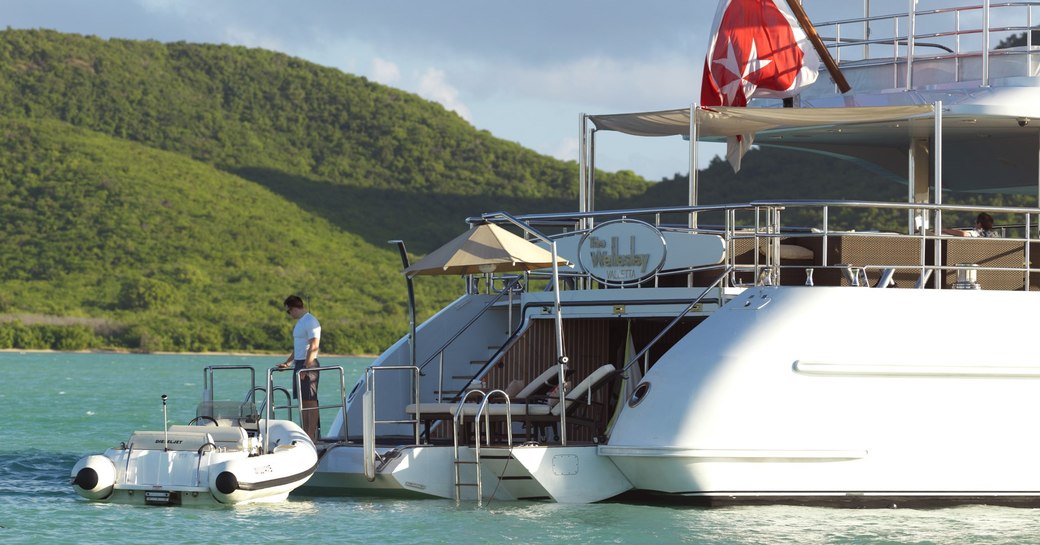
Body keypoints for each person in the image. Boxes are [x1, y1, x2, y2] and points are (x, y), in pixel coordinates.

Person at [277, 295, 321, 441]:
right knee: (303, 401)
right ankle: (305, 432)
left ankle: (310, 434)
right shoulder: (301, 323)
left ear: (294, 308)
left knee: (310, 400)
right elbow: (299, 347)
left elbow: (314, 346)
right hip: (300, 363)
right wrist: (288, 362)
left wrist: (307, 367)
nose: (289, 315)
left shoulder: (310, 321)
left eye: (288, 312)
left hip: (308, 364)